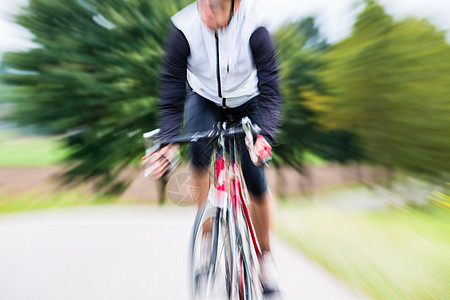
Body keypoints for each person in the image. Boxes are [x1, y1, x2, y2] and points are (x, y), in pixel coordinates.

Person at [143, 0, 282, 296]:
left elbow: (271, 89)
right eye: (203, 2)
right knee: (197, 152)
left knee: (253, 171)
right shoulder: (183, 28)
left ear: (236, 4)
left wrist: (264, 137)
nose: (206, 11)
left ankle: (264, 256)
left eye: (216, 6)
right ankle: (206, 233)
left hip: (249, 100)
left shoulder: (255, 28)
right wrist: (168, 143)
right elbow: (170, 89)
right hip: (204, 98)